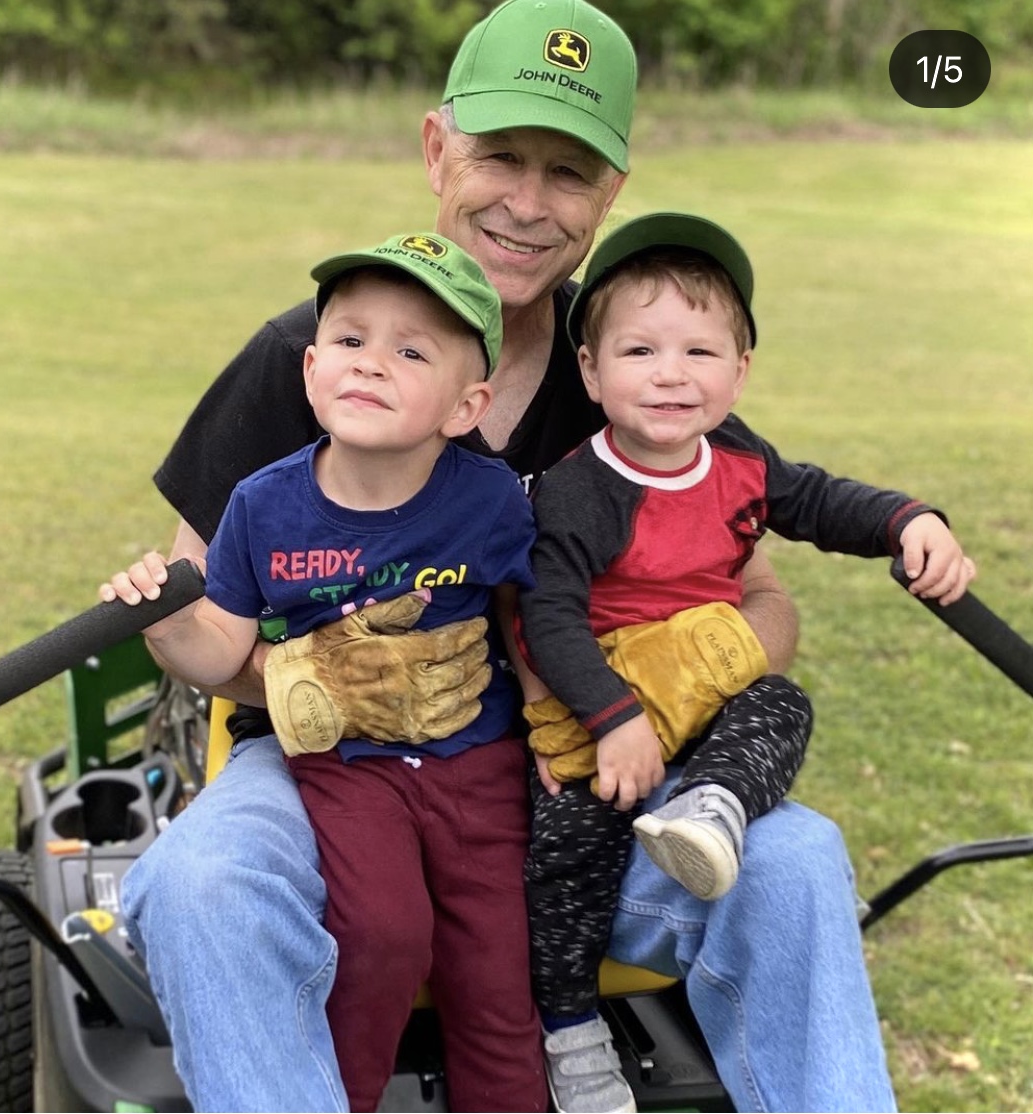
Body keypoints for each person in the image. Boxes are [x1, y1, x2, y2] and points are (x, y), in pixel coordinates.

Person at [118, 0, 902, 1110]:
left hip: (580, 776)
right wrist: (335, 676)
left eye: (569, 172)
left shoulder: (632, 364)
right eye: (500, 157)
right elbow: (203, 616)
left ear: (611, 192)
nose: (529, 204)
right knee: (204, 883)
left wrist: (677, 678)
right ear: (437, 147)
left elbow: (761, 592)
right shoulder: (314, 356)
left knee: (796, 859)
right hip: (331, 771)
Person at [512, 211, 975, 1112]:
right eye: (640, 351)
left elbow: (819, 499)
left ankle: (714, 807)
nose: (671, 376)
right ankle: (570, 1033)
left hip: (706, 702)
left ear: (739, 371)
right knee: (565, 854)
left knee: (779, 703)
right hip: (600, 703)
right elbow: (548, 617)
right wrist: (613, 718)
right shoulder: (578, 489)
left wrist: (907, 520)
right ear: (591, 372)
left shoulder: (738, 462)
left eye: (699, 352)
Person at [102, 233, 548, 1111]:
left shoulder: (489, 497)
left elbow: (526, 617)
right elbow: (220, 650)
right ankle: (338, 1096)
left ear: (467, 405)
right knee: (381, 936)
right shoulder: (263, 504)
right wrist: (162, 624)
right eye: (349, 340)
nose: (371, 364)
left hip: (478, 765)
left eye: (410, 350)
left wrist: (553, 722)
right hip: (346, 767)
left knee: (496, 970)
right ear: (309, 370)